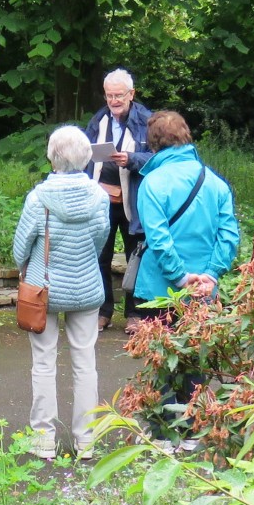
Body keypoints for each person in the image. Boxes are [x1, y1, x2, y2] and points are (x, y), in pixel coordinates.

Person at [12, 126, 112, 460]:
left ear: (52, 156)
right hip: (86, 288)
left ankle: (43, 439)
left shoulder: (38, 198)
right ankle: (86, 441)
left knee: (43, 364)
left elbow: (20, 249)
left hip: (44, 289)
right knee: (85, 363)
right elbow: (101, 240)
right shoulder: (99, 197)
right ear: (86, 158)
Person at [132, 110, 240, 310]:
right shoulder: (217, 183)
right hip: (205, 291)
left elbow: (158, 238)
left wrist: (181, 278)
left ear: (153, 143)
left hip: (161, 293)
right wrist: (211, 274)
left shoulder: (152, 182)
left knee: (158, 341)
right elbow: (229, 236)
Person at [83, 70, 155, 327]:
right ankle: (103, 312)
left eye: (119, 96)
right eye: (109, 95)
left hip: (133, 201)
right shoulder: (99, 119)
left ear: (131, 94)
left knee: (134, 256)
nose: (113, 101)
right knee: (99, 255)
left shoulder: (147, 120)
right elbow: (84, 154)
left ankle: (135, 314)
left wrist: (132, 159)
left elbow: (159, 158)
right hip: (101, 199)